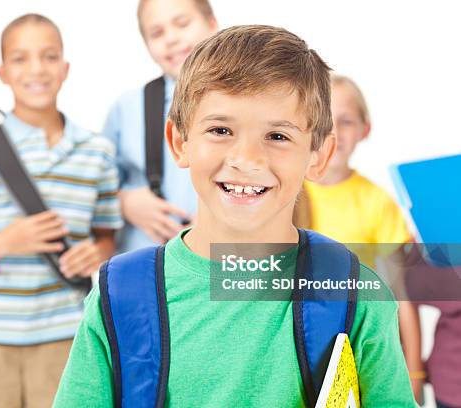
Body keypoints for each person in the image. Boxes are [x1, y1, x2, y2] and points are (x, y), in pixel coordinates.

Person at [53, 25, 416, 407]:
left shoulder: (356, 295)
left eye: (277, 136)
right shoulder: (120, 293)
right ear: (180, 142)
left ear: (319, 156)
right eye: (221, 129)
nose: (247, 159)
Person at [0, 14, 122, 408]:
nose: (36, 69)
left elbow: (107, 239)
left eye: (49, 56)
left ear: (65, 68)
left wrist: (98, 253)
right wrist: (2, 244)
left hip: (67, 338)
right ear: (2, 73)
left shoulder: (97, 152)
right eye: (20, 59)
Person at [300, 74, 424, 402]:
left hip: (354, 349)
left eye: (346, 121)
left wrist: (413, 373)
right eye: (323, 120)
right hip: (296, 346)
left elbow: (400, 298)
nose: (333, 133)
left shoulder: (377, 203)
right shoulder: (283, 193)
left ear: (364, 130)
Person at [102, 0, 217, 253]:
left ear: (212, 24)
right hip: (144, 262)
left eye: (182, 23)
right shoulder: (127, 108)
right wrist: (125, 202)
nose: (171, 39)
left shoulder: (251, 101)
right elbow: (96, 187)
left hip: (226, 262)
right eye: (157, 33)